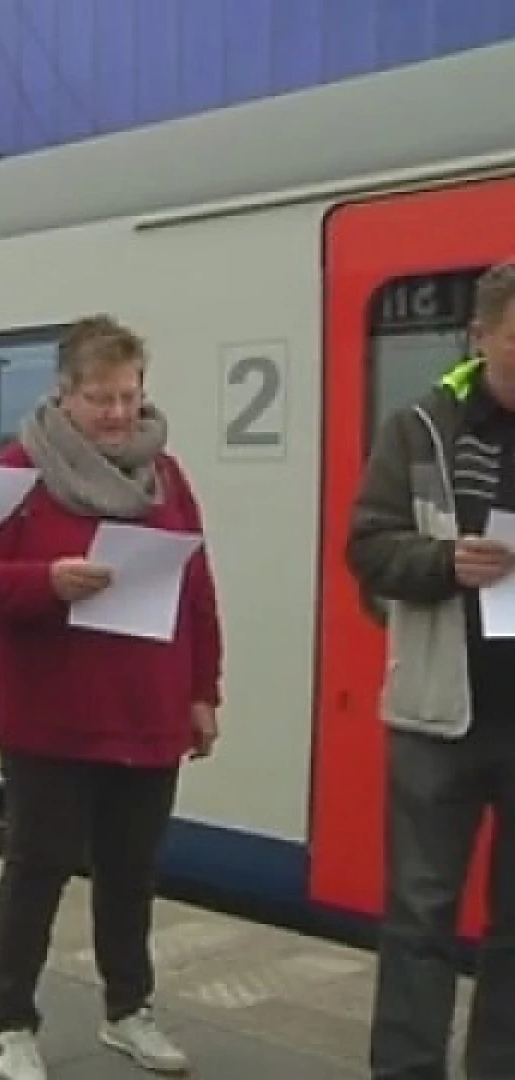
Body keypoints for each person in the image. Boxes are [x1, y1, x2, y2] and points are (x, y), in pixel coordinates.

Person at [0, 315, 221, 1080]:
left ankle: (129, 1011)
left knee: (132, 872)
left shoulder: (166, 476)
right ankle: (12, 1020)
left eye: (128, 396)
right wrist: (47, 583)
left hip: (149, 707)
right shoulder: (16, 472)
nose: (116, 413)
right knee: (36, 867)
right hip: (50, 715)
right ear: (63, 395)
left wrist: (204, 691)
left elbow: (197, 590)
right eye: (100, 397)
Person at [346, 260, 515, 1080]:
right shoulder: (420, 429)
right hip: (440, 714)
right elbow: (369, 548)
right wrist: (448, 561)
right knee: (420, 917)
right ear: (479, 337)